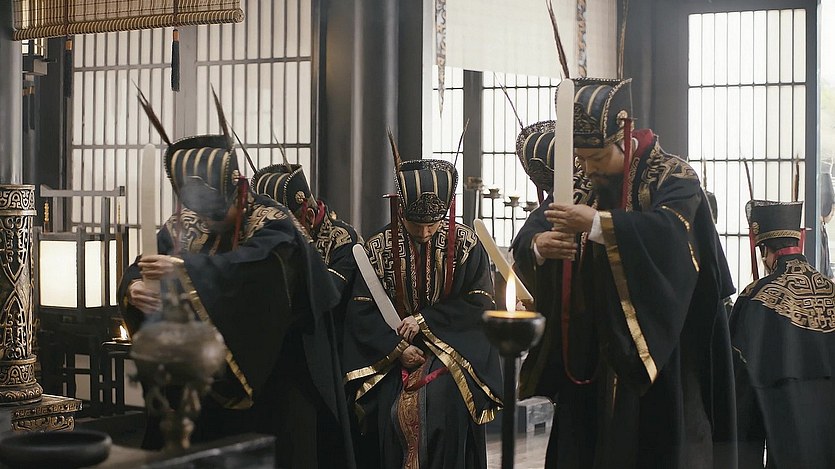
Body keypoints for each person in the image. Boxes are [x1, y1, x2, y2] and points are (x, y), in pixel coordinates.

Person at [118, 96, 354, 468]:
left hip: (276, 377)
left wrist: (183, 271)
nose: (208, 222)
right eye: (200, 212)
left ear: (238, 189)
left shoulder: (275, 225)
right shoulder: (188, 223)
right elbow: (144, 265)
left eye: (217, 213)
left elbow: (253, 276)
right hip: (205, 378)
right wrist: (134, 288)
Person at [516, 77, 737, 468]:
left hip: (658, 350)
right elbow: (532, 231)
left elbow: (672, 237)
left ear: (626, 138)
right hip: (590, 348)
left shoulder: (673, 177)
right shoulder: (583, 179)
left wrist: (597, 224)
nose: (588, 168)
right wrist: (540, 245)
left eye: (597, 158)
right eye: (581, 159)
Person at [343, 155, 503, 468]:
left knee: (447, 400)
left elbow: (479, 304)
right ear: (400, 211)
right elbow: (361, 311)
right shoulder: (377, 248)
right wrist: (397, 348)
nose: (426, 232)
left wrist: (425, 321)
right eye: (417, 224)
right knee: (388, 409)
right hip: (391, 355)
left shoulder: (467, 246)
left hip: (452, 350)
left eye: (433, 224)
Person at [731, 199, 835, 468]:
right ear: (799, 241)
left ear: (765, 250)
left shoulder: (757, 297)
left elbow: (741, 383)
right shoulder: (831, 290)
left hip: (788, 429)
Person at [251, 162, 361, 336]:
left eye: (283, 227)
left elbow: (326, 297)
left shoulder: (341, 238)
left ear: (309, 216)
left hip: (329, 334)